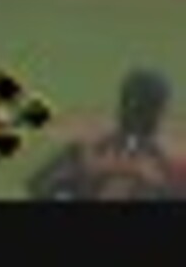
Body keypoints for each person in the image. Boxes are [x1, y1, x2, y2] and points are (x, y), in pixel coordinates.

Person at [26, 68, 182, 200]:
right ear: (160, 110)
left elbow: (40, 186)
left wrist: (92, 170)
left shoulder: (87, 150)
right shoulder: (167, 165)